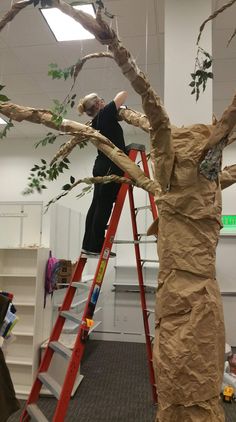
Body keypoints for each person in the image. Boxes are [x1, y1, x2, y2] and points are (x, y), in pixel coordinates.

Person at [77, 91, 128, 256]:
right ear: (98, 104)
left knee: (97, 205)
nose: (104, 102)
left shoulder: (95, 122)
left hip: (102, 165)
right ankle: (96, 247)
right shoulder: (104, 114)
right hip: (110, 165)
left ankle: (88, 245)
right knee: (103, 206)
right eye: (101, 100)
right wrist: (113, 106)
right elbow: (123, 94)